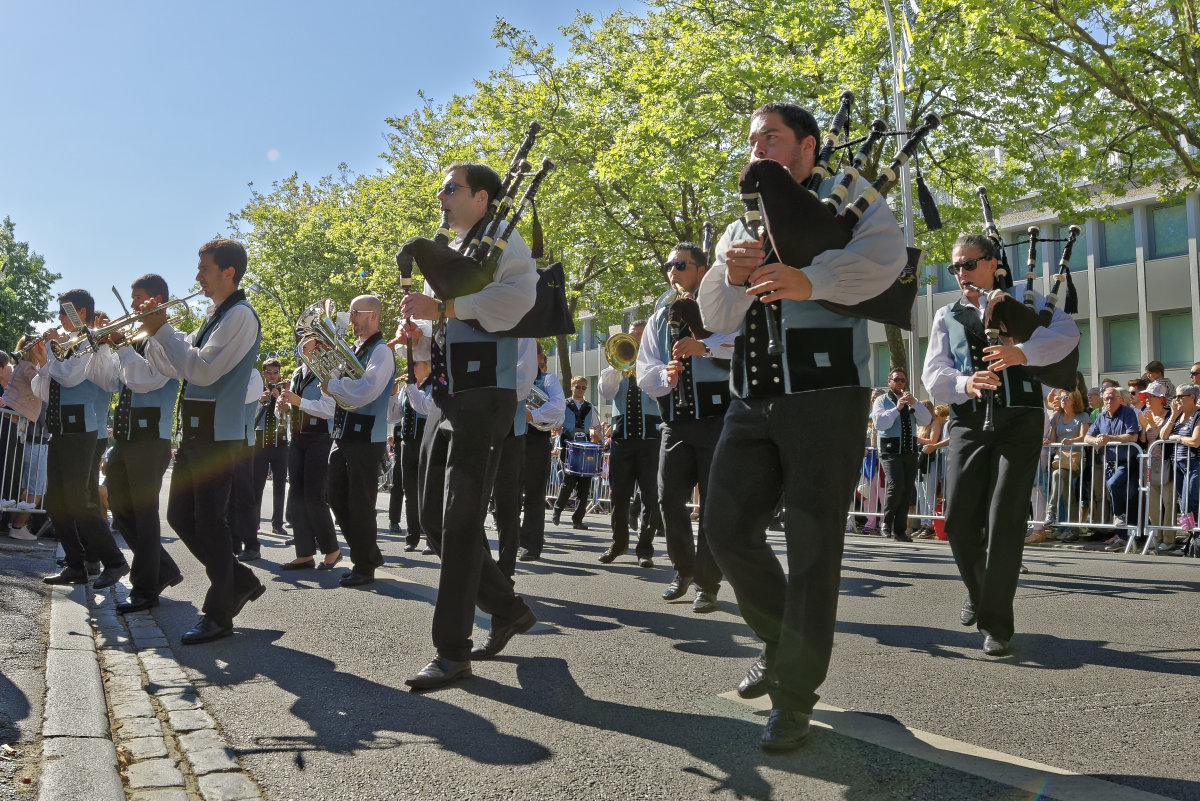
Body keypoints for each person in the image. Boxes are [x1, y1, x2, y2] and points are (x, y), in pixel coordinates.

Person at [696, 101, 907, 751]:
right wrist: (730, 276)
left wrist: (809, 279)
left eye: (772, 136)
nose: (758, 145)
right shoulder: (743, 219)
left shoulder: (851, 196)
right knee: (725, 530)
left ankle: (793, 697)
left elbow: (887, 258)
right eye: (752, 137)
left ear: (807, 146)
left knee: (814, 551)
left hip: (827, 395)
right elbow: (716, 316)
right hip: (751, 397)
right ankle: (781, 639)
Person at [399, 160, 539, 690]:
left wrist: (447, 306)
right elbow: (443, 325)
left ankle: (451, 652)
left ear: (481, 197)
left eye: (451, 188)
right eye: (441, 188)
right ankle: (508, 609)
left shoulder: (506, 241)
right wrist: (418, 332)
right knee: (434, 523)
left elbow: (517, 302)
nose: (442, 196)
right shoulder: (458, 250)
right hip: (447, 397)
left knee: (460, 527)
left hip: (486, 399)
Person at [923, 232, 1079, 656]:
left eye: (969, 264)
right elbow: (933, 374)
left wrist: (1021, 353)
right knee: (957, 521)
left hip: (1020, 421)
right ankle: (980, 591)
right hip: (969, 422)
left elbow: (1067, 335)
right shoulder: (947, 315)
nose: (961, 273)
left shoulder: (1025, 305)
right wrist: (965, 381)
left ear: (993, 263)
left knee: (1006, 519)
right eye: (955, 267)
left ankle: (997, 625)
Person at [139, 239, 265, 644]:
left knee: (212, 523)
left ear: (229, 272)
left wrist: (163, 331)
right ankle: (239, 579)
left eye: (204, 269)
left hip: (219, 433)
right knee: (179, 516)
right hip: (197, 432)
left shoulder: (240, 315)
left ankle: (219, 612)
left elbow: (204, 371)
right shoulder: (215, 316)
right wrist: (151, 337)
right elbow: (179, 367)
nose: (197, 277)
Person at [639, 243, 736, 614]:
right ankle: (683, 569)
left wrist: (704, 347)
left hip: (718, 421)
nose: (673, 271)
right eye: (669, 265)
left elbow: (742, 345)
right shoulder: (660, 316)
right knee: (667, 499)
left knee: (712, 505)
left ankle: (708, 584)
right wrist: (665, 374)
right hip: (675, 422)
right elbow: (645, 368)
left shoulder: (724, 305)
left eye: (681, 265)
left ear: (701, 269)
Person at [34, 290, 130, 589]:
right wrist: (43, 358)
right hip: (61, 429)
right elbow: (41, 389)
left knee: (80, 500)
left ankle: (114, 561)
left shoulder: (89, 344)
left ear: (82, 312)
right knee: (56, 502)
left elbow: (71, 377)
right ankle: (76, 565)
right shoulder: (64, 346)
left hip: (83, 429)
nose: (60, 318)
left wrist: (51, 350)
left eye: (66, 312)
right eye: (60, 312)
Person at [106, 275, 184, 613]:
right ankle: (162, 569)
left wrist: (121, 347)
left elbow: (145, 381)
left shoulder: (170, 339)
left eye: (138, 298)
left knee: (144, 515)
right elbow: (114, 380)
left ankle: (145, 589)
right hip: (125, 439)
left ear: (156, 300)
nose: (134, 305)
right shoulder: (137, 340)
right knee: (121, 510)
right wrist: (109, 347)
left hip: (150, 440)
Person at [319, 295, 396, 587]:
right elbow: (335, 388)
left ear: (372, 316)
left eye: (354, 313)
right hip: (344, 434)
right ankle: (369, 555)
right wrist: (329, 377)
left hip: (367, 437)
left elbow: (368, 389)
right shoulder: (353, 348)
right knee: (335, 495)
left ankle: (365, 564)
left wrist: (334, 384)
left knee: (361, 504)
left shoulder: (381, 351)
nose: (350, 318)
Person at [597, 320, 663, 567]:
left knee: (650, 496)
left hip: (650, 439)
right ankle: (619, 543)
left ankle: (645, 549)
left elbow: (660, 391)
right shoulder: (612, 366)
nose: (636, 342)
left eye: (641, 337)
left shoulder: (657, 363)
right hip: (622, 438)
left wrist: (646, 367)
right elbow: (606, 392)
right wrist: (617, 365)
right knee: (619, 496)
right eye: (633, 337)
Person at [277, 361, 340, 570]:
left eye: (307, 335)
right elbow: (292, 408)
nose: (302, 340)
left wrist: (298, 401)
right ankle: (304, 554)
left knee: (314, 497)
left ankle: (332, 550)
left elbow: (329, 409)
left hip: (320, 437)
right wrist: (283, 408)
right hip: (297, 437)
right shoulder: (297, 371)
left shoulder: (330, 369)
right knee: (296, 496)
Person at [490, 339, 538, 577]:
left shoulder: (522, 333)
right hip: (476, 425)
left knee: (507, 503)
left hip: (509, 430)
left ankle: (506, 567)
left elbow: (522, 383)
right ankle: (479, 565)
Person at [870, 367, 931, 542]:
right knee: (895, 484)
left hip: (909, 451)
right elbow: (880, 423)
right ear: (889, 382)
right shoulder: (881, 400)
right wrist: (897, 408)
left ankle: (900, 530)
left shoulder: (912, 401)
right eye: (896, 379)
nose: (900, 383)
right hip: (890, 451)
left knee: (906, 489)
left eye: (903, 380)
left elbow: (926, 420)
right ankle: (886, 523)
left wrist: (916, 404)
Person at [517, 343, 565, 561]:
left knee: (534, 495)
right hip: (512, 438)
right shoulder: (510, 377)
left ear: (537, 356)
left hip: (536, 440)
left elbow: (558, 409)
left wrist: (532, 415)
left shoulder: (548, 379)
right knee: (508, 493)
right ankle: (511, 538)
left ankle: (531, 544)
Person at [1085, 387, 1142, 547]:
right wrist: (1095, 441)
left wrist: (1110, 438)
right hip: (1110, 462)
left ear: (1119, 398)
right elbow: (1087, 436)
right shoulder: (1101, 416)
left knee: (1123, 492)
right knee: (1117, 495)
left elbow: (1133, 436)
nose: (1109, 401)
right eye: (1106, 399)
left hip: (1128, 461)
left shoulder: (1128, 412)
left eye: (1112, 398)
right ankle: (1122, 535)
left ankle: (1128, 529)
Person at [1035, 389, 1091, 543]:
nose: (1062, 400)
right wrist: (1048, 442)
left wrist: (1071, 441)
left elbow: (1084, 437)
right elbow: (1052, 439)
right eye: (1060, 398)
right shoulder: (1058, 417)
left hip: (1076, 458)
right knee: (1068, 494)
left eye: (1066, 397)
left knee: (1057, 475)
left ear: (1075, 399)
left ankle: (1051, 511)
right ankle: (1073, 530)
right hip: (1060, 459)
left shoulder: (1082, 416)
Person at [551, 376, 602, 530]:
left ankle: (577, 520)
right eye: (578, 387)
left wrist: (598, 441)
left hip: (584, 449)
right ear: (572, 387)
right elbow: (556, 424)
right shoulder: (564, 404)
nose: (581, 390)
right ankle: (557, 509)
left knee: (585, 485)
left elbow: (595, 427)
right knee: (569, 482)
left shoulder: (589, 406)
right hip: (568, 447)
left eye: (584, 388)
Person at [1160, 383, 1200, 553]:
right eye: (1175, 396)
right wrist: (1173, 416)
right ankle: (1189, 539)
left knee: (1190, 501)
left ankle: (1196, 538)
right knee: (1183, 506)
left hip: (1195, 464)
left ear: (1192, 397)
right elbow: (1162, 435)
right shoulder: (1177, 415)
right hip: (1179, 464)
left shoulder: (1198, 415)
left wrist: (1177, 438)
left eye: (1180, 396)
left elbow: (1195, 441)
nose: (1176, 400)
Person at [252, 358, 289, 538]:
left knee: (280, 484)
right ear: (263, 373)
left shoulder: (285, 392)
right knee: (257, 484)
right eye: (269, 372)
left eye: (275, 372)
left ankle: (277, 523)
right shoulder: (256, 390)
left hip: (280, 442)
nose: (272, 376)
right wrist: (260, 401)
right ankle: (254, 521)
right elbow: (249, 417)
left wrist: (279, 400)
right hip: (260, 442)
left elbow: (289, 417)